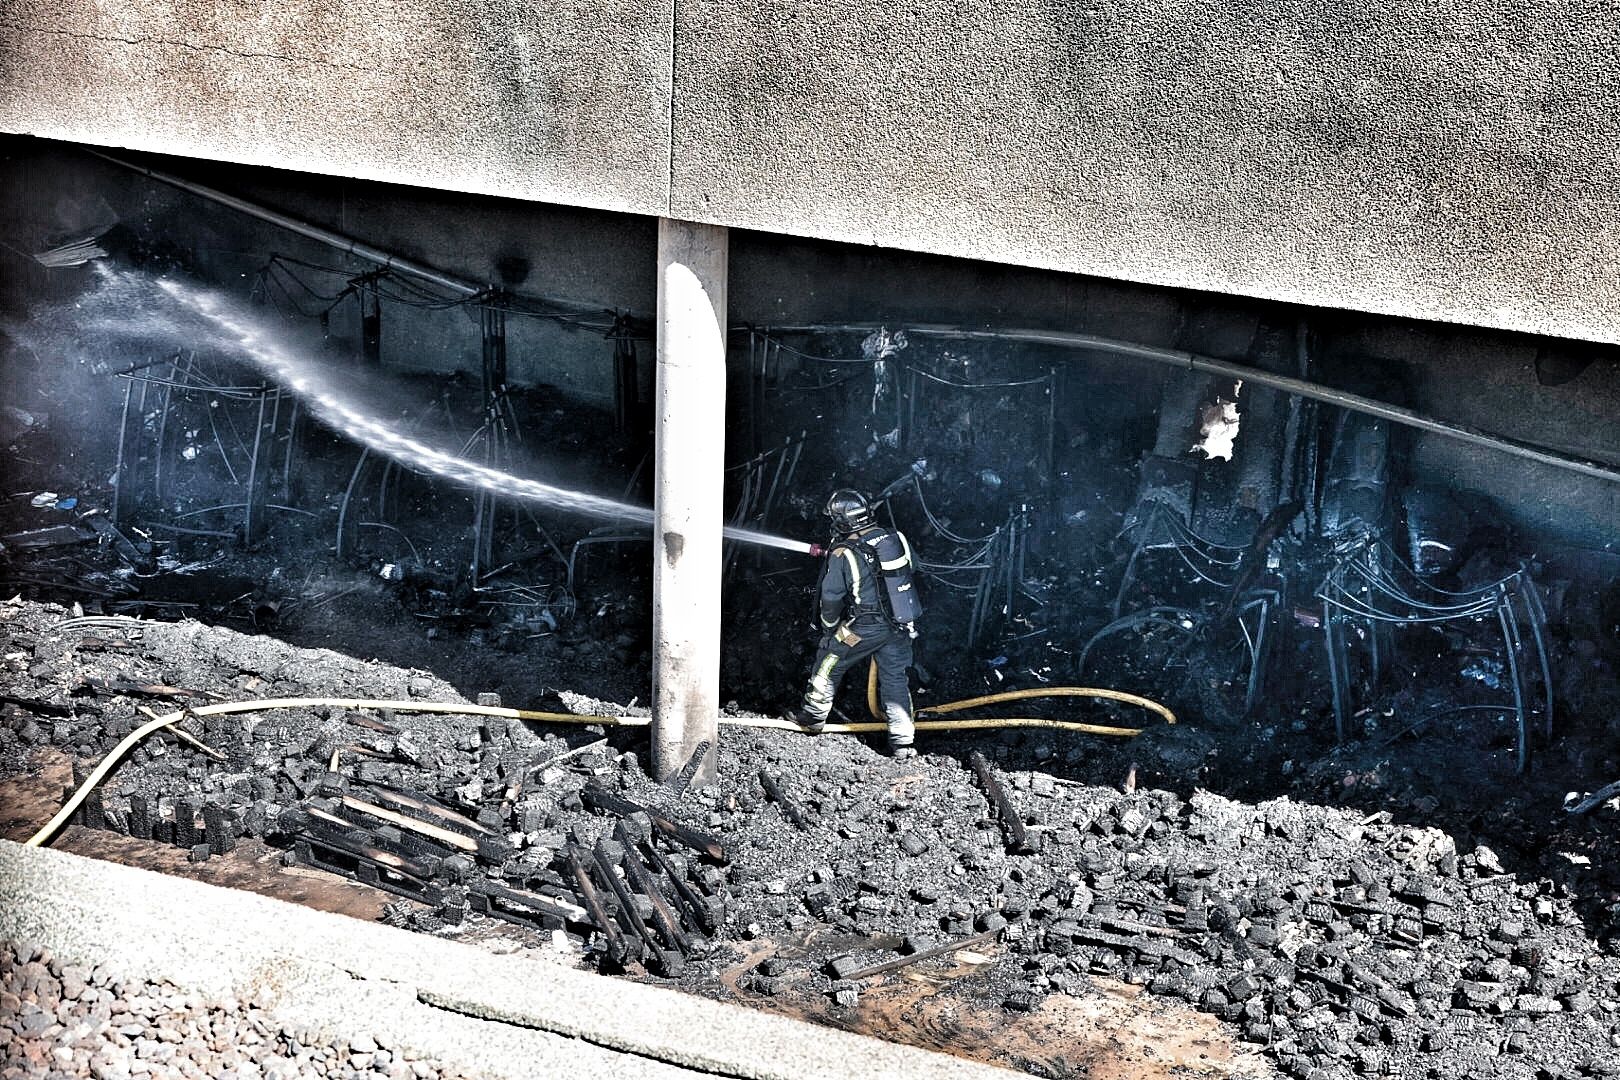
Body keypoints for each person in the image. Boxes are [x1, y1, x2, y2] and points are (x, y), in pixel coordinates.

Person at [786, 488, 922, 758]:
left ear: (841, 522)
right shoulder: (896, 537)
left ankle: (812, 717)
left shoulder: (842, 554)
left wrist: (830, 628)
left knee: (829, 659)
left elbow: (831, 598)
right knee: (895, 678)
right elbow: (913, 567)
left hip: (863, 628)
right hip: (900, 626)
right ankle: (903, 742)